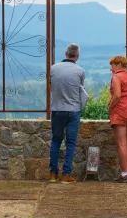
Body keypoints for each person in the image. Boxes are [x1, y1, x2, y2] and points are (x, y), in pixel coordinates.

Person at [49, 43, 85, 184]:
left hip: (57, 109)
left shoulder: (53, 68)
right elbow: (80, 89)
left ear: (65, 53)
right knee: (71, 143)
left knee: (56, 141)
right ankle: (66, 175)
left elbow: (51, 86)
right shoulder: (80, 71)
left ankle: (52, 174)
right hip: (73, 110)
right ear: (77, 55)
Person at [107, 55, 127, 183]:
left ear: (119, 65)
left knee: (121, 144)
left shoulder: (116, 77)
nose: (111, 68)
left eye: (112, 65)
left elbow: (117, 95)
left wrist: (110, 106)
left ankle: (124, 174)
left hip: (120, 112)